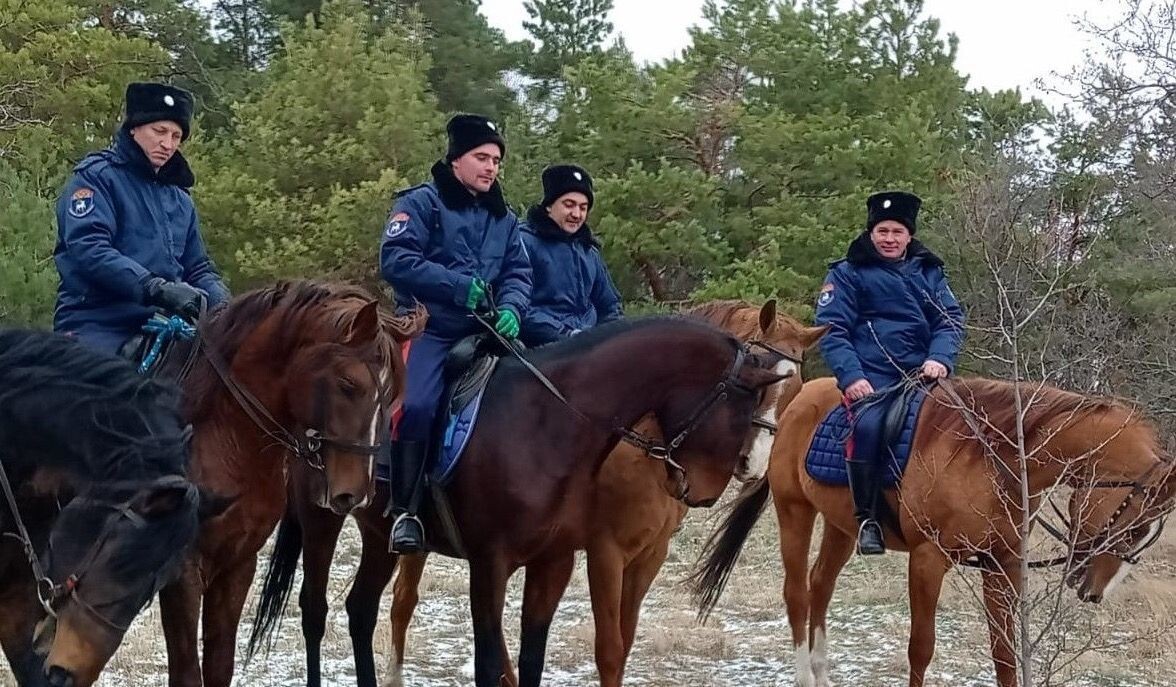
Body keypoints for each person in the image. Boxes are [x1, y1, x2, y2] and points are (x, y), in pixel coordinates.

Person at [379, 113, 532, 553]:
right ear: (456, 160)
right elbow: (396, 260)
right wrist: (458, 286)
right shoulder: (421, 203)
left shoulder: (504, 218)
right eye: (482, 158)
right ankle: (406, 511)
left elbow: (519, 272)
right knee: (418, 405)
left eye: (496, 161)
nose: (491, 168)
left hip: (487, 330)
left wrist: (513, 308)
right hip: (429, 327)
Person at [814, 190, 965, 555]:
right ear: (871, 233)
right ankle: (868, 519)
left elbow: (949, 320)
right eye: (882, 231)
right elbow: (833, 330)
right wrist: (853, 378)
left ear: (909, 235)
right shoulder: (847, 273)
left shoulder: (929, 271)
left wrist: (939, 358)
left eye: (897, 231)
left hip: (926, 373)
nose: (890, 239)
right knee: (867, 428)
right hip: (873, 376)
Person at [53, 82, 229, 355]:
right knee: (109, 381)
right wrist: (155, 288)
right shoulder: (96, 178)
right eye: (159, 131)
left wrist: (227, 308)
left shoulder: (180, 198)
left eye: (176, 136)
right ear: (134, 127)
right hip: (98, 322)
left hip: (164, 322)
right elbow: (89, 248)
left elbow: (197, 268)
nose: (168, 144)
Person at [518, 164, 622, 348]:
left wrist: (606, 339)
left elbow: (610, 306)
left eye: (583, 208)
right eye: (569, 205)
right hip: (542, 348)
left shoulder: (589, 251)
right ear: (549, 205)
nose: (576, 214)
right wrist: (566, 334)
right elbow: (519, 305)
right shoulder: (523, 243)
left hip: (589, 347)